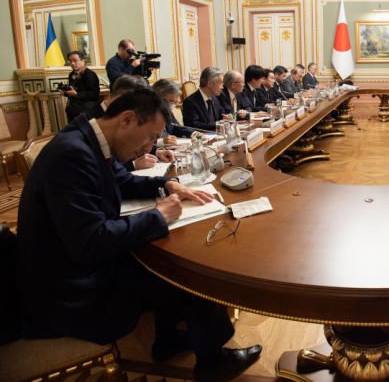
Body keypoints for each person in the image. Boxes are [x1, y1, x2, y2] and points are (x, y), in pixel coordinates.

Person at [15, 89, 261, 379]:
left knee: (170, 258)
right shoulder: (72, 154)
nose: (149, 147)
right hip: (71, 288)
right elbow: (89, 243)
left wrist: (167, 185)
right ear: (127, 120)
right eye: (150, 137)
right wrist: (157, 216)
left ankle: (168, 341)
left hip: (75, 265)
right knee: (190, 272)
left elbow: (120, 180)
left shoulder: (88, 138)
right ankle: (213, 364)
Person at [63, 51, 100, 122]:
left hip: (85, 110)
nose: (72, 63)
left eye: (75, 60)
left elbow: (94, 95)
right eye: (70, 61)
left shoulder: (90, 74)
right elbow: (73, 89)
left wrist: (76, 94)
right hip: (73, 109)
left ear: (83, 61)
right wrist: (66, 91)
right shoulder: (72, 74)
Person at [152, 79, 193, 143]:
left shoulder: (167, 110)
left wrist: (193, 133)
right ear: (158, 98)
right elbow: (140, 138)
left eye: (175, 102)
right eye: (171, 101)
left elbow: (176, 127)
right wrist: (161, 141)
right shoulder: (146, 113)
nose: (173, 105)